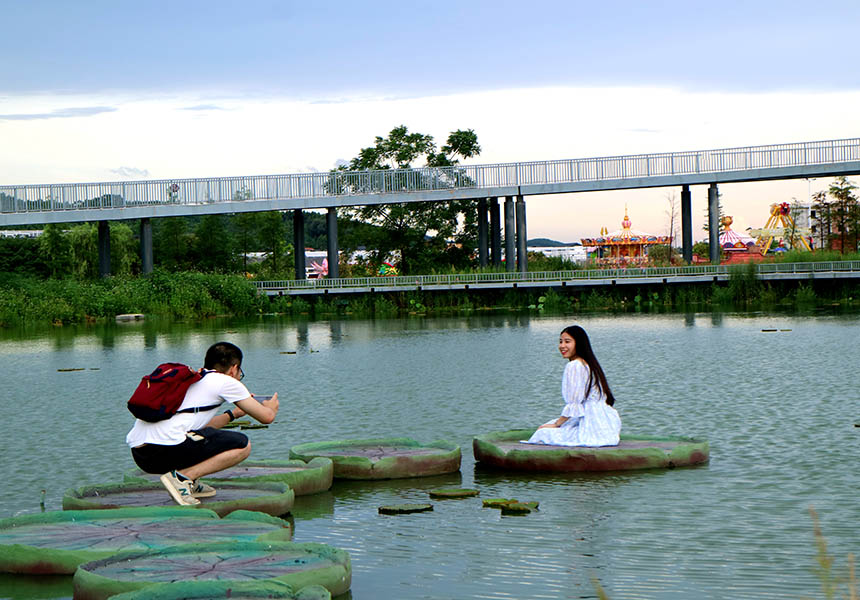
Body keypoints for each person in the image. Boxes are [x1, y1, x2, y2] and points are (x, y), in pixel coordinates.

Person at [126, 341, 279, 505]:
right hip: (165, 451)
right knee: (242, 444)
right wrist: (271, 407)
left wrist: (233, 414)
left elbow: (200, 428)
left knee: (207, 436)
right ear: (234, 368)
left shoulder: (194, 379)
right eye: (240, 372)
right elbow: (266, 417)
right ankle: (183, 478)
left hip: (142, 454)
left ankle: (192, 482)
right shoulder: (227, 382)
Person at [526, 325, 620, 447]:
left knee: (542, 433)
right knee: (550, 426)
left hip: (591, 425)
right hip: (605, 424)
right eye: (560, 342)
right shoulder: (589, 364)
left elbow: (574, 405)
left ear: (578, 343)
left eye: (567, 342)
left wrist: (557, 424)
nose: (562, 346)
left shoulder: (574, 366)